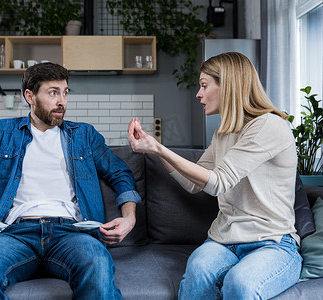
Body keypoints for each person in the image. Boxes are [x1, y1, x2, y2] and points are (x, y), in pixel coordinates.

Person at [0, 62, 141, 299]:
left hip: (73, 233)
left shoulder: (84, 134)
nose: (61, 101)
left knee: (96, 263)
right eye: (53, 92)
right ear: (29, 96)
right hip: (15, 233)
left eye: (65, 92)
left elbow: (121, 174)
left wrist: (129, 218)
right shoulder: (3, 131)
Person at [127, 52, 302, 299]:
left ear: (228, 86)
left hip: (272, 242)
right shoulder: (223, 134)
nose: (198, 94)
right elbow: (192, 183)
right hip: (224, 239)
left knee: (240, 283)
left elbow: (218, 182)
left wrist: (159, 148)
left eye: (204, 85)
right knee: (198, 272)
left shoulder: (268, 126)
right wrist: (154, 149)